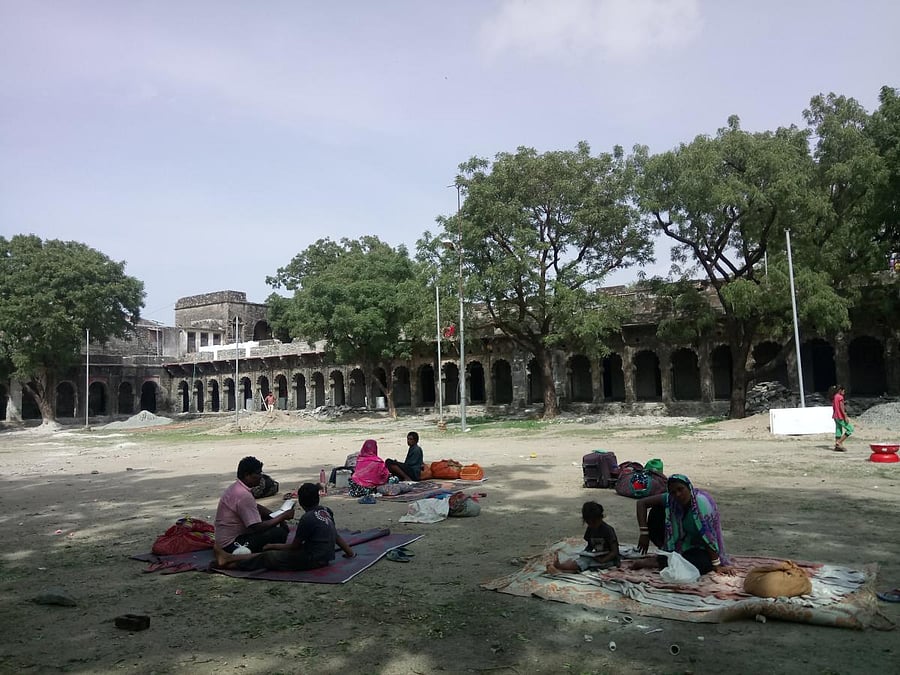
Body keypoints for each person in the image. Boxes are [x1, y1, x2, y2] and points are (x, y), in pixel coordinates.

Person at [214, 483, 355, 570]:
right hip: (324, 557)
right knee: (272, 552)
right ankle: (231, 559)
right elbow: (335, 535)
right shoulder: (326, 511)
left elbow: (293, 547)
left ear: (300, 502)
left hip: (312, 559)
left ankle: (231, 561)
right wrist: (350, 552)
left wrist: (272, 546)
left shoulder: (307, 519)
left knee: (269, 556)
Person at [631, 474, 735, 576]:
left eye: (681, 489)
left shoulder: (701, 504)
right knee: (657, 511)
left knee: (705, 564)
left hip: (700, 545)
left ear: (689, 488)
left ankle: (660, 561)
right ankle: (667, 556)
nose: (678, 494)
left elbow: (708, 538)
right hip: (682, 543)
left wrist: (716, 564)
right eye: (673, 492)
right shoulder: (671, 499)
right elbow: (641, 503)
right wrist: (644, 533)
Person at [214, 456, 294, 553]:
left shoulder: (236, 488)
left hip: (223, 540)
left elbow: (256, 507)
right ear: (247, 475)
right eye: (258, 473)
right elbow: (256, 527)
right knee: (279, 533)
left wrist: (274, 516)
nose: (260, 477)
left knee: (270, 522)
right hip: (231, 544)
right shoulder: (243, 496)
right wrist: (282, 517)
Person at [547, 501, 620, 573]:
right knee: (582, 561)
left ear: (601, 518)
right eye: (588, 523)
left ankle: (561, 567)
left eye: (594, 522)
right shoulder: (590, 528)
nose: (592, 525)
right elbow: (590, 546)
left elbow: (614, 552)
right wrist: (586, 553)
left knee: (585, 562)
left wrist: (603, 560)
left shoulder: (608, 530)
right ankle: (561, 571)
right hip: (597, 557)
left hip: (609, 560)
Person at [830, 384, 853, 451]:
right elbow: (841, 408)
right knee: (850, 429)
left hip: (835, 416)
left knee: (838, 430)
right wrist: (845, 416)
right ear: (840, 390)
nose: (844, 392)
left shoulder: (834, 396)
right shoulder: (840, 397)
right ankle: (839, 443)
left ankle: (837, 446)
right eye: (843, 391)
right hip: (840, 416)